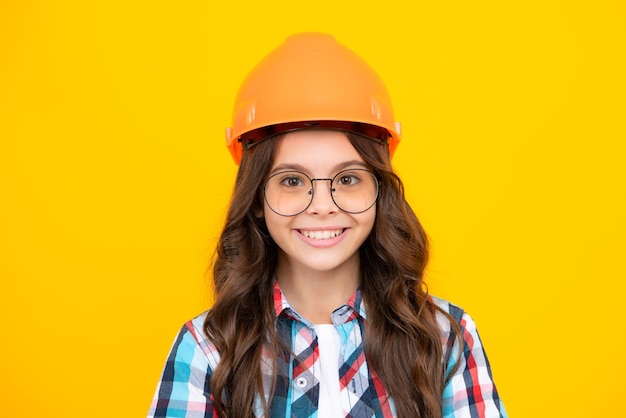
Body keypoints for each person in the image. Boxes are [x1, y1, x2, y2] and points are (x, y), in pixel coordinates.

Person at [148, 32, 507, 418]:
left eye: (348, 179)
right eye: (292, 180)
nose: (322, 206)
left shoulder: (445, 338)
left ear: (380, 189)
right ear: (255, 199)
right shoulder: (207, 349)